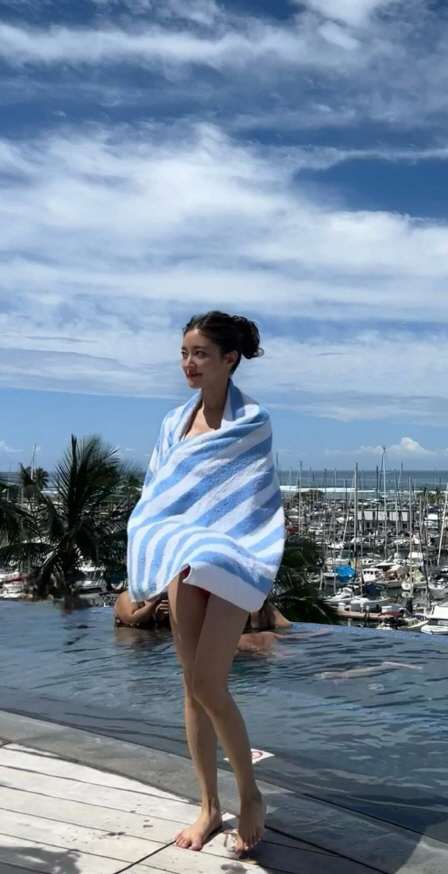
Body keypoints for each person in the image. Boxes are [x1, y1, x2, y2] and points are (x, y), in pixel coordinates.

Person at [126, 311, 286, 857]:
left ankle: (251, 796)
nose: (188, 364)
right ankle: (209, 807)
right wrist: (159, 544)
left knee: (210, 684)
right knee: (190, 686)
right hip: (183, 559)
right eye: (183, 353)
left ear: (228, 359)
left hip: (231, 558)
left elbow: (248, 500)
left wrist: (214, 542)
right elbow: (160, 493)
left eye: (199, 354)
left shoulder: (252, 422)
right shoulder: (174, 423)